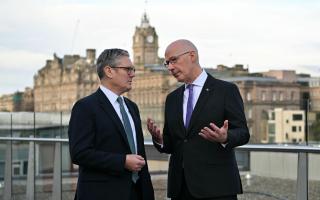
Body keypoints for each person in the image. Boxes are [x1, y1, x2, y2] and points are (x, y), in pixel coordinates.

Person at [147, 39, 250, 200]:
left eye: (173, 60)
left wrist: (225, 137)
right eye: (167, 63)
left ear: (192, 56)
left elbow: (243, 133)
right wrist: (159, 140)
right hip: (180, 189)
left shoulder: (226, 91)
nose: (170, 67)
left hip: (217, 188)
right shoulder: (172, 99)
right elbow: (172, 144)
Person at [68, 48, 154, 200]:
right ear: (109, 71)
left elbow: (138, 154)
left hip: (137, 193)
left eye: (132, 69)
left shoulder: (132, 107)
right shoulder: (85, 107)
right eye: (128, 69)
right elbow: (79, 153)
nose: (132, 74)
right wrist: (122, 162)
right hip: (102, 193)